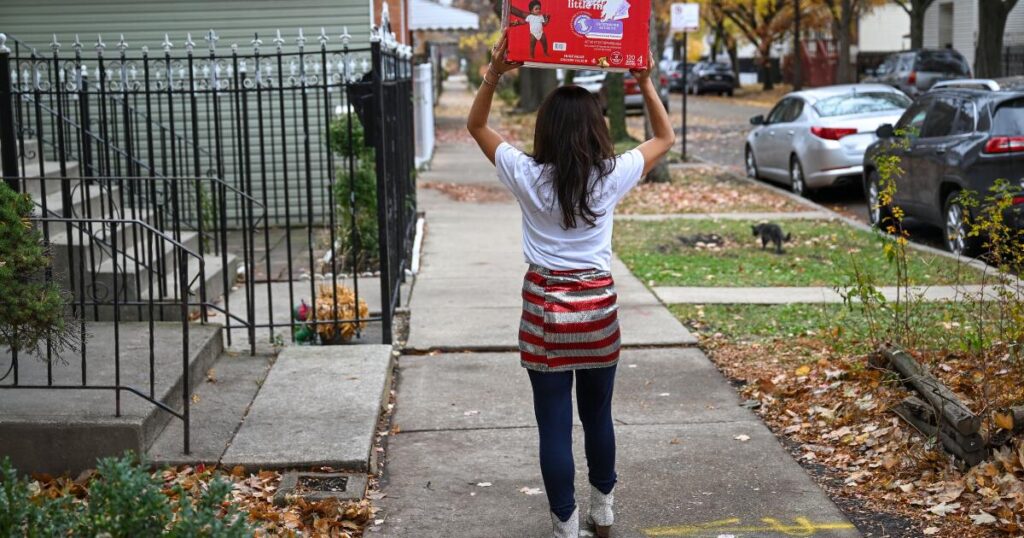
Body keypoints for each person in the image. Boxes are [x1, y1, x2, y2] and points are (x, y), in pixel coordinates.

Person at [466, 31, 674, 538]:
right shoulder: (612, 174)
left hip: (544, 311)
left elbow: (476, 125)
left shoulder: (526, 173)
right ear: (597, 129)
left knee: (554, 425)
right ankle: (603, 509)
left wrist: (494, 72)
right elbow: (665, 138)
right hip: (598, 310)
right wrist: (644, 83)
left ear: (546, 129)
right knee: (598, 416)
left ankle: (566, 523)